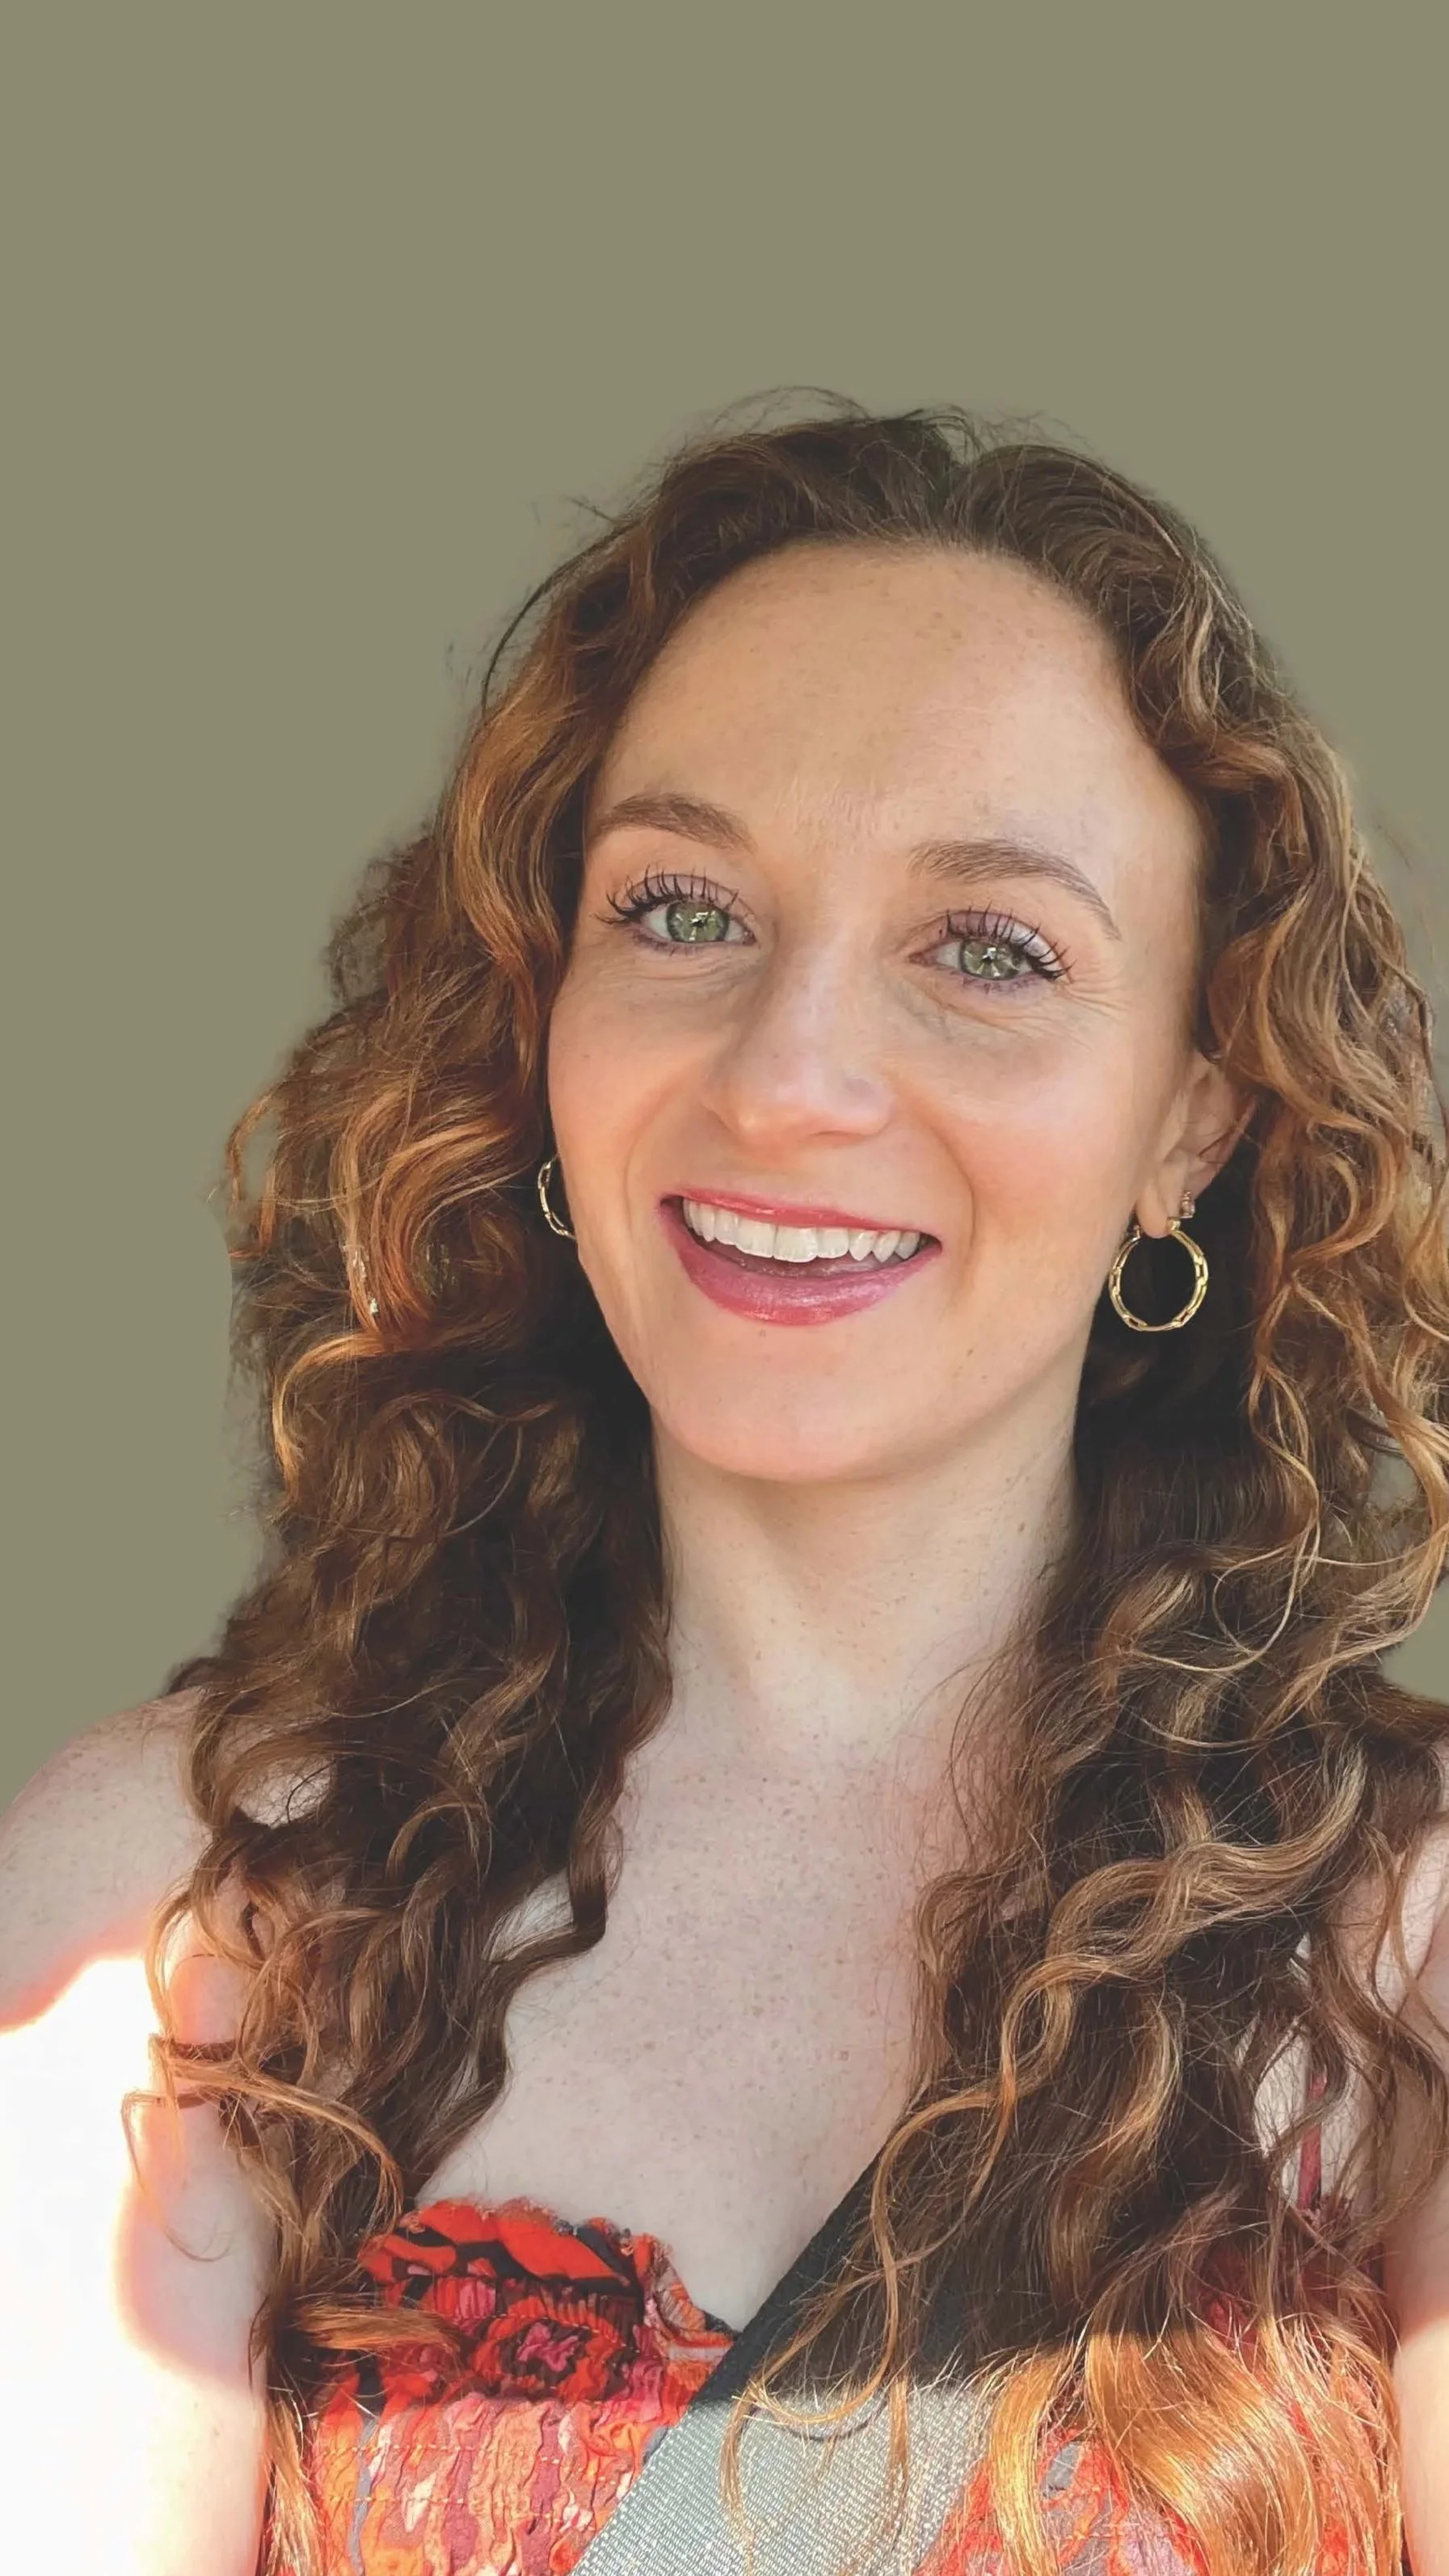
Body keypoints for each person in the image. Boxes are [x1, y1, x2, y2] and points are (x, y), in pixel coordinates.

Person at [3, 398, 1449, 2576]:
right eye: (682, 908)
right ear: (543, 1024)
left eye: (990, 948)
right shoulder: (174, 1926)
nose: (786, 1077)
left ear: (1194, 1117)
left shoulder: (1406, 1952)